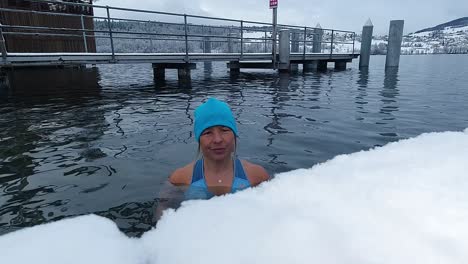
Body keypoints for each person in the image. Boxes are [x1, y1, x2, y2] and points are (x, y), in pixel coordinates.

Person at [168, 97, 270, 200]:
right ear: (199, 140)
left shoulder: (257, 176)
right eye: (208, 133)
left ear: (234, 136)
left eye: (224, 130)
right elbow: (163, 210)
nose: (217, 140)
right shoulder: (180, 178)